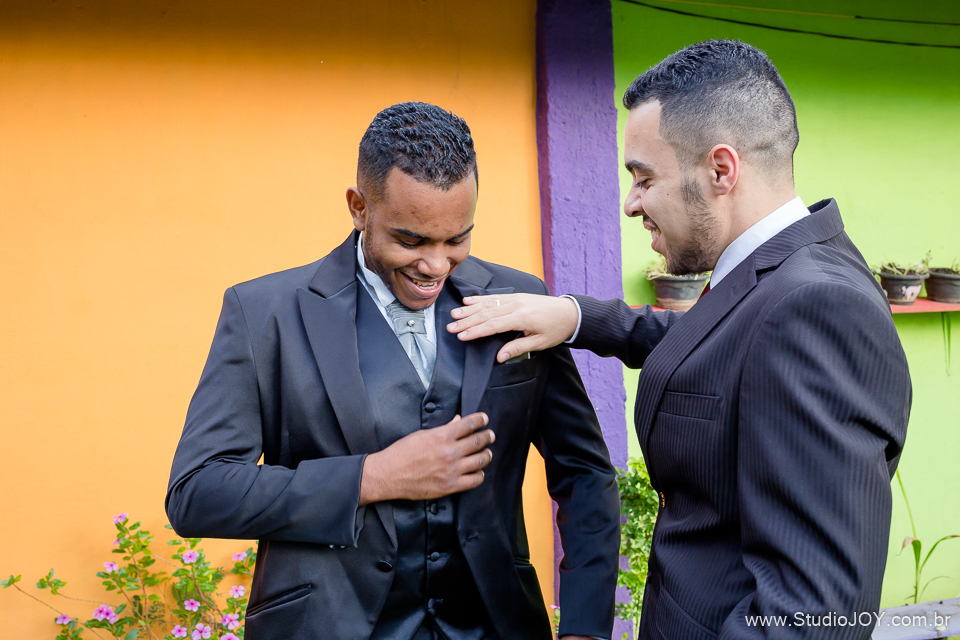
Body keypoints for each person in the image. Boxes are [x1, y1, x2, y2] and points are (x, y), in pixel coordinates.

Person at [447, 41, 911, 640]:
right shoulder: (773, 278)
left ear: (721, 170)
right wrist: (576, 317)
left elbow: (813, 613)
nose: (630, 203)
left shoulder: (816, 307)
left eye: (643, 178)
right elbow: (720, 347)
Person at [165, 102, 619, 640]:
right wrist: (371, 478)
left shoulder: (521, 302)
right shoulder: (264, 312)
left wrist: (585, 628)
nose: (435, 266)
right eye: (411, 240)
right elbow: (198, 493)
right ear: (359, 207)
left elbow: (585, 471)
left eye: (457, 239)